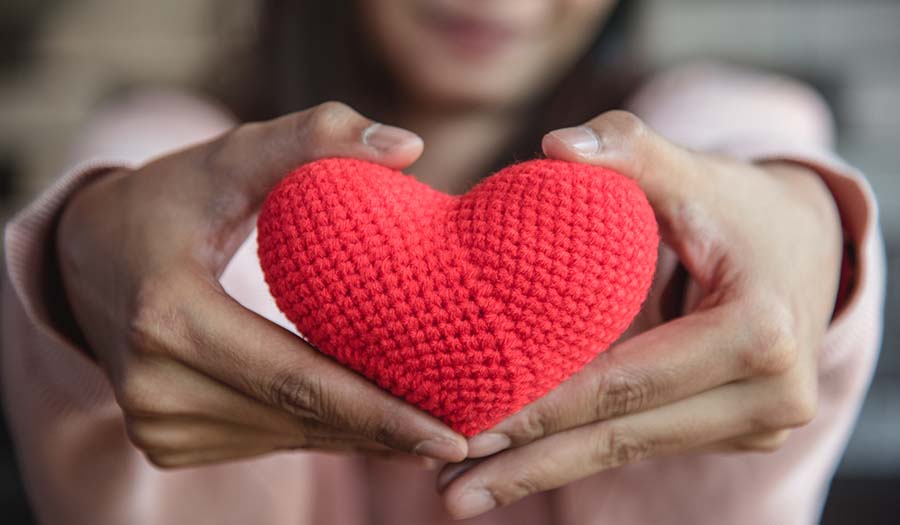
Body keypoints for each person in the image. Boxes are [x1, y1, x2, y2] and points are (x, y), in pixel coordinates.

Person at [1, 1, 884, 523]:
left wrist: (812, 227)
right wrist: (76, 254)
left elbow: (762, 162)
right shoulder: (182, 146)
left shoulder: (701, 122)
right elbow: (131, 182)